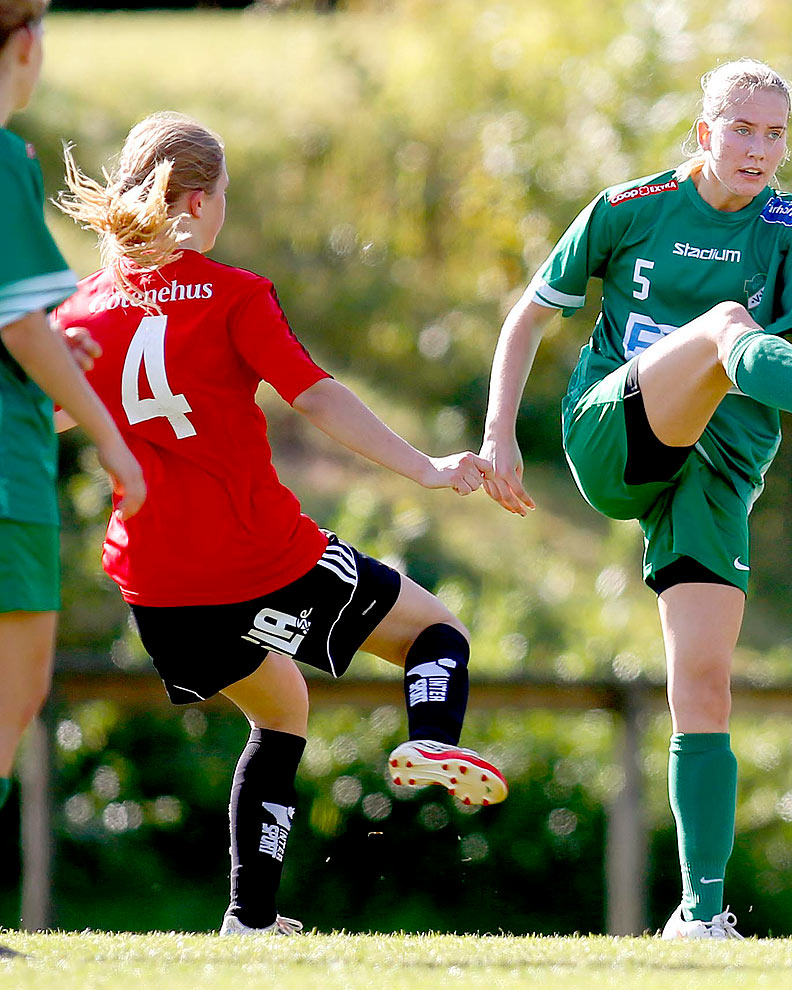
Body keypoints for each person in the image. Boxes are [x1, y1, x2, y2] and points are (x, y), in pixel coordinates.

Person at [480, 58, 792, 939]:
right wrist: (501, 435)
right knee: (727, 325)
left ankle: (701, 916)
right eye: (743, 128)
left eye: (775, 133)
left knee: (705, 684)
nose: (760, 148)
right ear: (704, 132)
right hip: (613, 431)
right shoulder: (629, 208)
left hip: (718, 466)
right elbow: (528, 316)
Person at [52, 111, 506, 936]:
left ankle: (249, 918)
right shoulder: (234, 294)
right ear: (193, 203)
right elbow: (316, 393)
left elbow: (42, 414)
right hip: (257, 557)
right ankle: (432, 739)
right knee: (436, 635)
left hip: (155, 583)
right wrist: (426, 467)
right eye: (223, 193)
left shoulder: (84, 310)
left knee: (280, 709)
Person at [0, 0, 145, 827]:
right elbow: (22, 324)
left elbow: (27, 329)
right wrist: (114, 446)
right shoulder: (3, 161)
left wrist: (55, 355)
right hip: (5, 476)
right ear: (24, 43)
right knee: (15, 689)